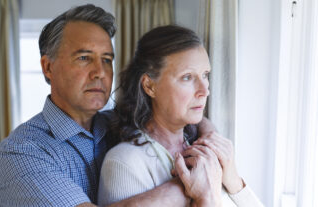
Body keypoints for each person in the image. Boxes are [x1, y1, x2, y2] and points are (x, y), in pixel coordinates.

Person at [0, 4, 216, 207]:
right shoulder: (21, 153)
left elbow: (178, 115)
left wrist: (211, 139)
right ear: (48, 67)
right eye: (84, 58)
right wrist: (188, 185)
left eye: (107, 60)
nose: (100, 72)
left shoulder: (114, 122)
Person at [98, 25, 264, 207]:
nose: (204, 90)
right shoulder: (125, 164)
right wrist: (206, 199)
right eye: (187, 77)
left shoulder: (205, 146)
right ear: (150, 86)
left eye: (205, 75)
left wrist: (233, 180)